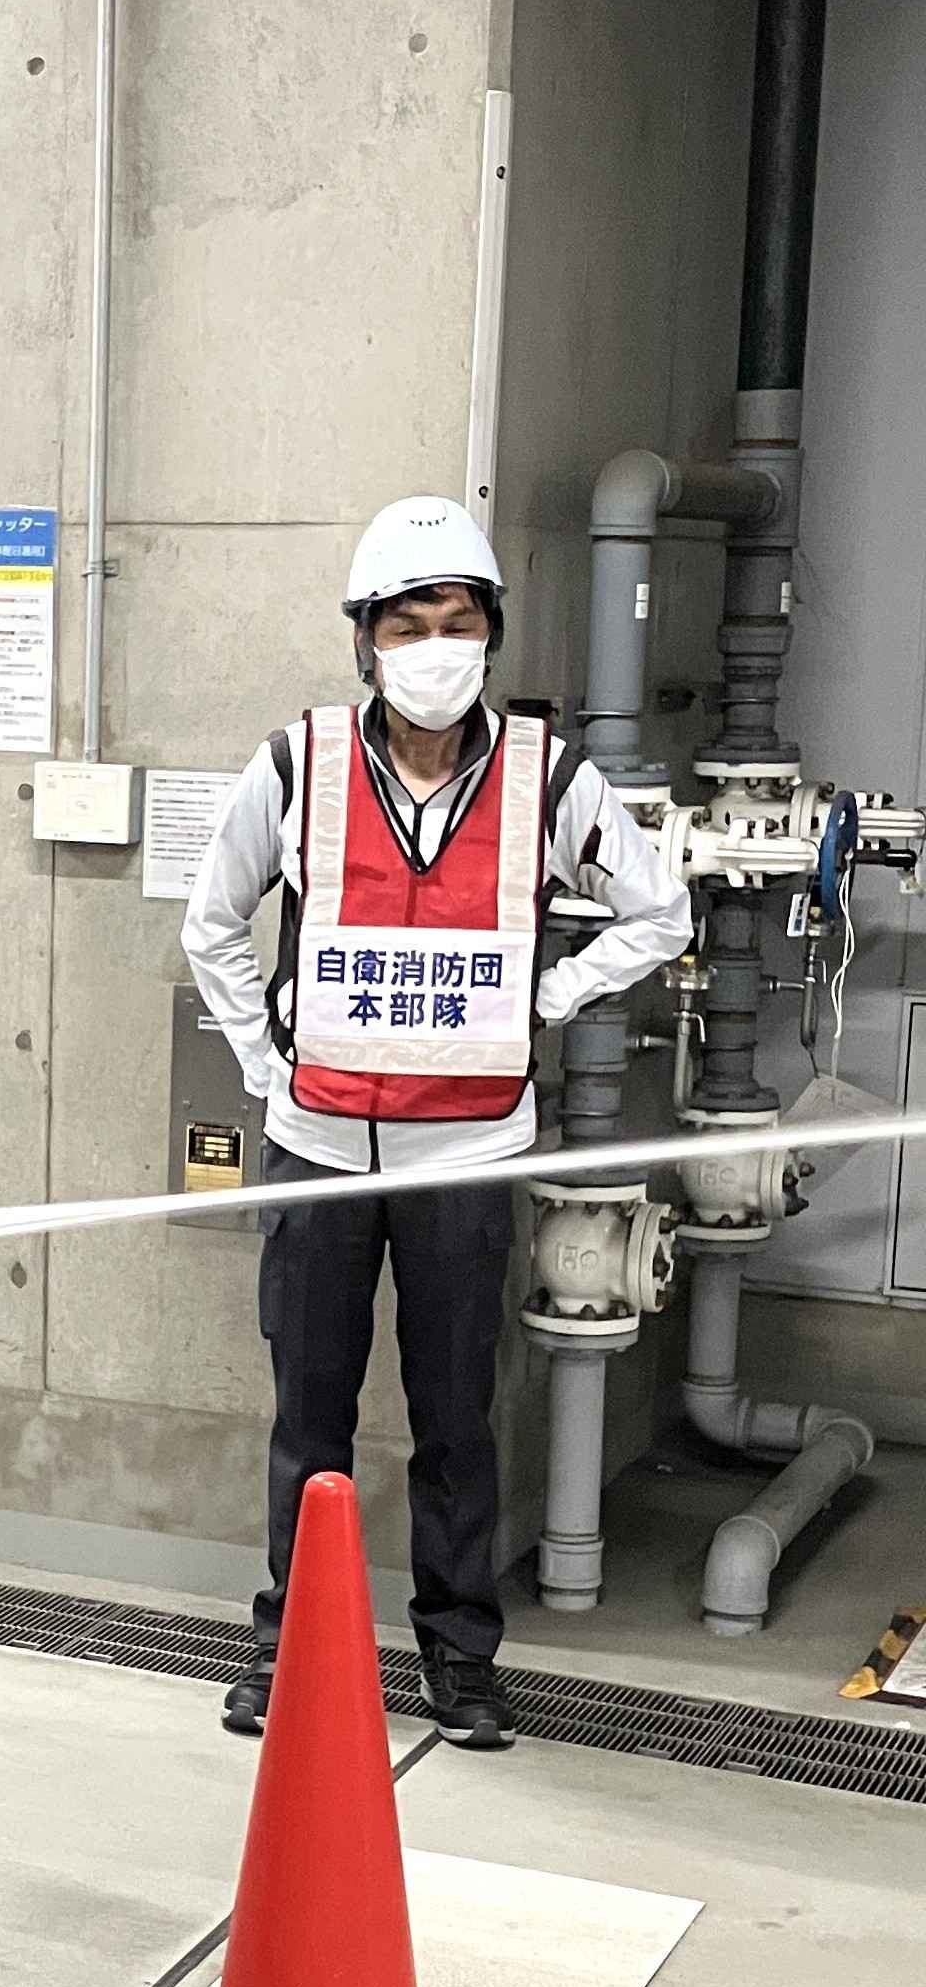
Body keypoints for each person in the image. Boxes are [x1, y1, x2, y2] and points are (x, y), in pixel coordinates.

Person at [181, 496, 692, 1749]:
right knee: (309, 1418)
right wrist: (265, 1065)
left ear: (490, 635)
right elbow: (212, 923)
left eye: (456, 622)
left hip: (467, 1153)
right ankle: (288, 1649)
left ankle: (460, 1660)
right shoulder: (297, 764)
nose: (432, 648)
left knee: (456, 1420)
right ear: (365, 641)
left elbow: (661, 911)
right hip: (320, 1148)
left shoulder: (547, 778)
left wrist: (544, 998)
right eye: (405, 626)